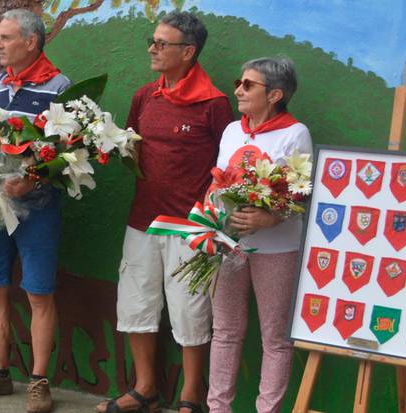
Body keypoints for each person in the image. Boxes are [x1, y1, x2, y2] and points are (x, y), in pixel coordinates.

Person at [97, 11, 233, 413]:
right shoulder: (144, 96)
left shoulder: (215, 104)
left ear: (188, 52)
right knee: (136, 305)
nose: (152, 49)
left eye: (162, 43)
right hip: (142, 221)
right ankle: (146, 390)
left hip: (191, 226)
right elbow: (133, 147)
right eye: (152, 40)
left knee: (190, 311)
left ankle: (192, 397)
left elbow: (228, 166)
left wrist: (210, 217)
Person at [0, 9, 70, 413]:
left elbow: (69, 153)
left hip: (38, 210)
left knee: (39, 293)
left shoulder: (60, 87)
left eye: (4, 38)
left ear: (31, 42)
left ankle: (39, 381)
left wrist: (34, 179)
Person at [207, 57, 312, 413]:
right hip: (229, 244)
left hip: (277, 250)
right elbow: (217, 181)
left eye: (248, 85)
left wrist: (270, 218)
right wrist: (209, 221)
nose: (238, 89)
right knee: (225, 331)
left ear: (275, 94)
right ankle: (218, 408)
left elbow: (301, 194)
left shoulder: (296, 133)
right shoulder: (232, 131)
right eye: (240, 82)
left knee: (276, 339)